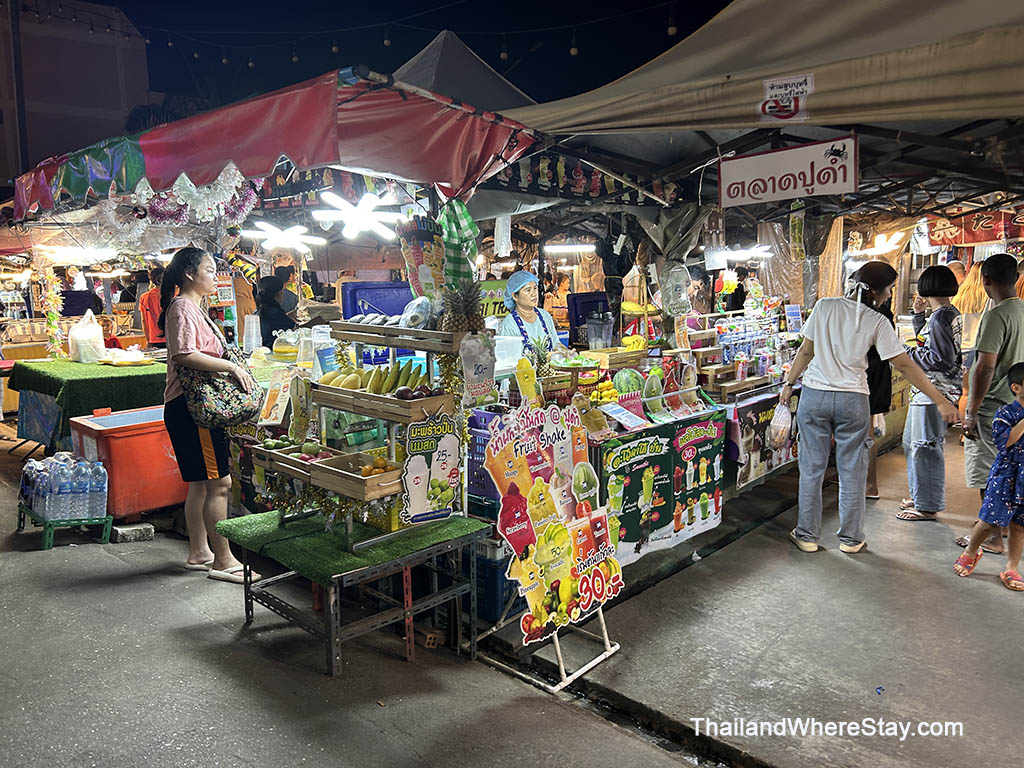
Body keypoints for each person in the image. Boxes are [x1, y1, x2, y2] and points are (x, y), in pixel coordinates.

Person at [781, 261, 958, 554]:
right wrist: (939, 399)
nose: (889, 295)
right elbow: (904, 365)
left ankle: (807, 536)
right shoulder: (877, 321)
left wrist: (789, 384)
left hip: (815, 396)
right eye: (889, 289)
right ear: (876, 291)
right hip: (853, 400)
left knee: (811, 469)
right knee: (852, 470)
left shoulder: (824, 306)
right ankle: (851, 539)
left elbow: (806, 351)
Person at [159, 247, 258, 583]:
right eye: (210, 270)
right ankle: (224, 560)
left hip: (186, 408)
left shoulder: (191, 308)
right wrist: (231, 367)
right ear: (190, 274)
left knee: (201, 485)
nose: (216, 277)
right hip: (195, 410)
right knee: (220, 484)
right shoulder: (183, 307)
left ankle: (199, 552)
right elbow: (184, 354)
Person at [958, 253, 1024, 554]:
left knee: (990, 473)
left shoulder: (997, 315)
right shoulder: (1021, 310)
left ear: (985, 279)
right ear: (1016, 278)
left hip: (994, 406)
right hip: (1017, 404)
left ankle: (993, 536)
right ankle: (1001, 529)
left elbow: (985, 366)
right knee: (1010, 468)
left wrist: (971, 411)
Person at [897, 265, 963, 520]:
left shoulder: (941, 318)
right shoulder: (944, 314)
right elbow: (931, 345)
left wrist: (904, 352)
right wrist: (918, 317)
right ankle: (920, 496)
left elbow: (940, 359)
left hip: (935, 392)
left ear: (925, 288)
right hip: (928, 392)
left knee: (925, 448)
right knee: (913, 444)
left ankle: (927, 506)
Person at [953, 361, 1024, 591]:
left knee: (1019, 525)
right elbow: (1005, 442)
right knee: (989, 520)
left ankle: (1012, 567)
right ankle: (971, 551)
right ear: (1016, 388)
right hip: (1006, 475)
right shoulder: (1005, 413)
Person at [864, 297, 895, 500]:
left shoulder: (876, 315)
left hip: (868, 376)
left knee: (865, 434)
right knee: (866, 434)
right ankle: (868, 484)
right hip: (877, 375)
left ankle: (869, 485)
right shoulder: (885, 315)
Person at [497, 270, 566, 354]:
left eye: (535, 288)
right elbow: (509, 358)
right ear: (515, 296)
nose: (534, 294)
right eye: (528, 290)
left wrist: (566, 353)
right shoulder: (509, 325)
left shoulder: (545, 316)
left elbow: (556, 345)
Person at [257, 275, 296, 349]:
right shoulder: (275, 313)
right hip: (273, 350)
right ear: (279, 293)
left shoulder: (260, 311)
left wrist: (287, 316)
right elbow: (294, 329)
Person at [139, 267, 166, 348]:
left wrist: (147, 339)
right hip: (172, 337)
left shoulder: (144, 297)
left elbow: (144, 321)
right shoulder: (173, 295)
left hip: (153, 339)